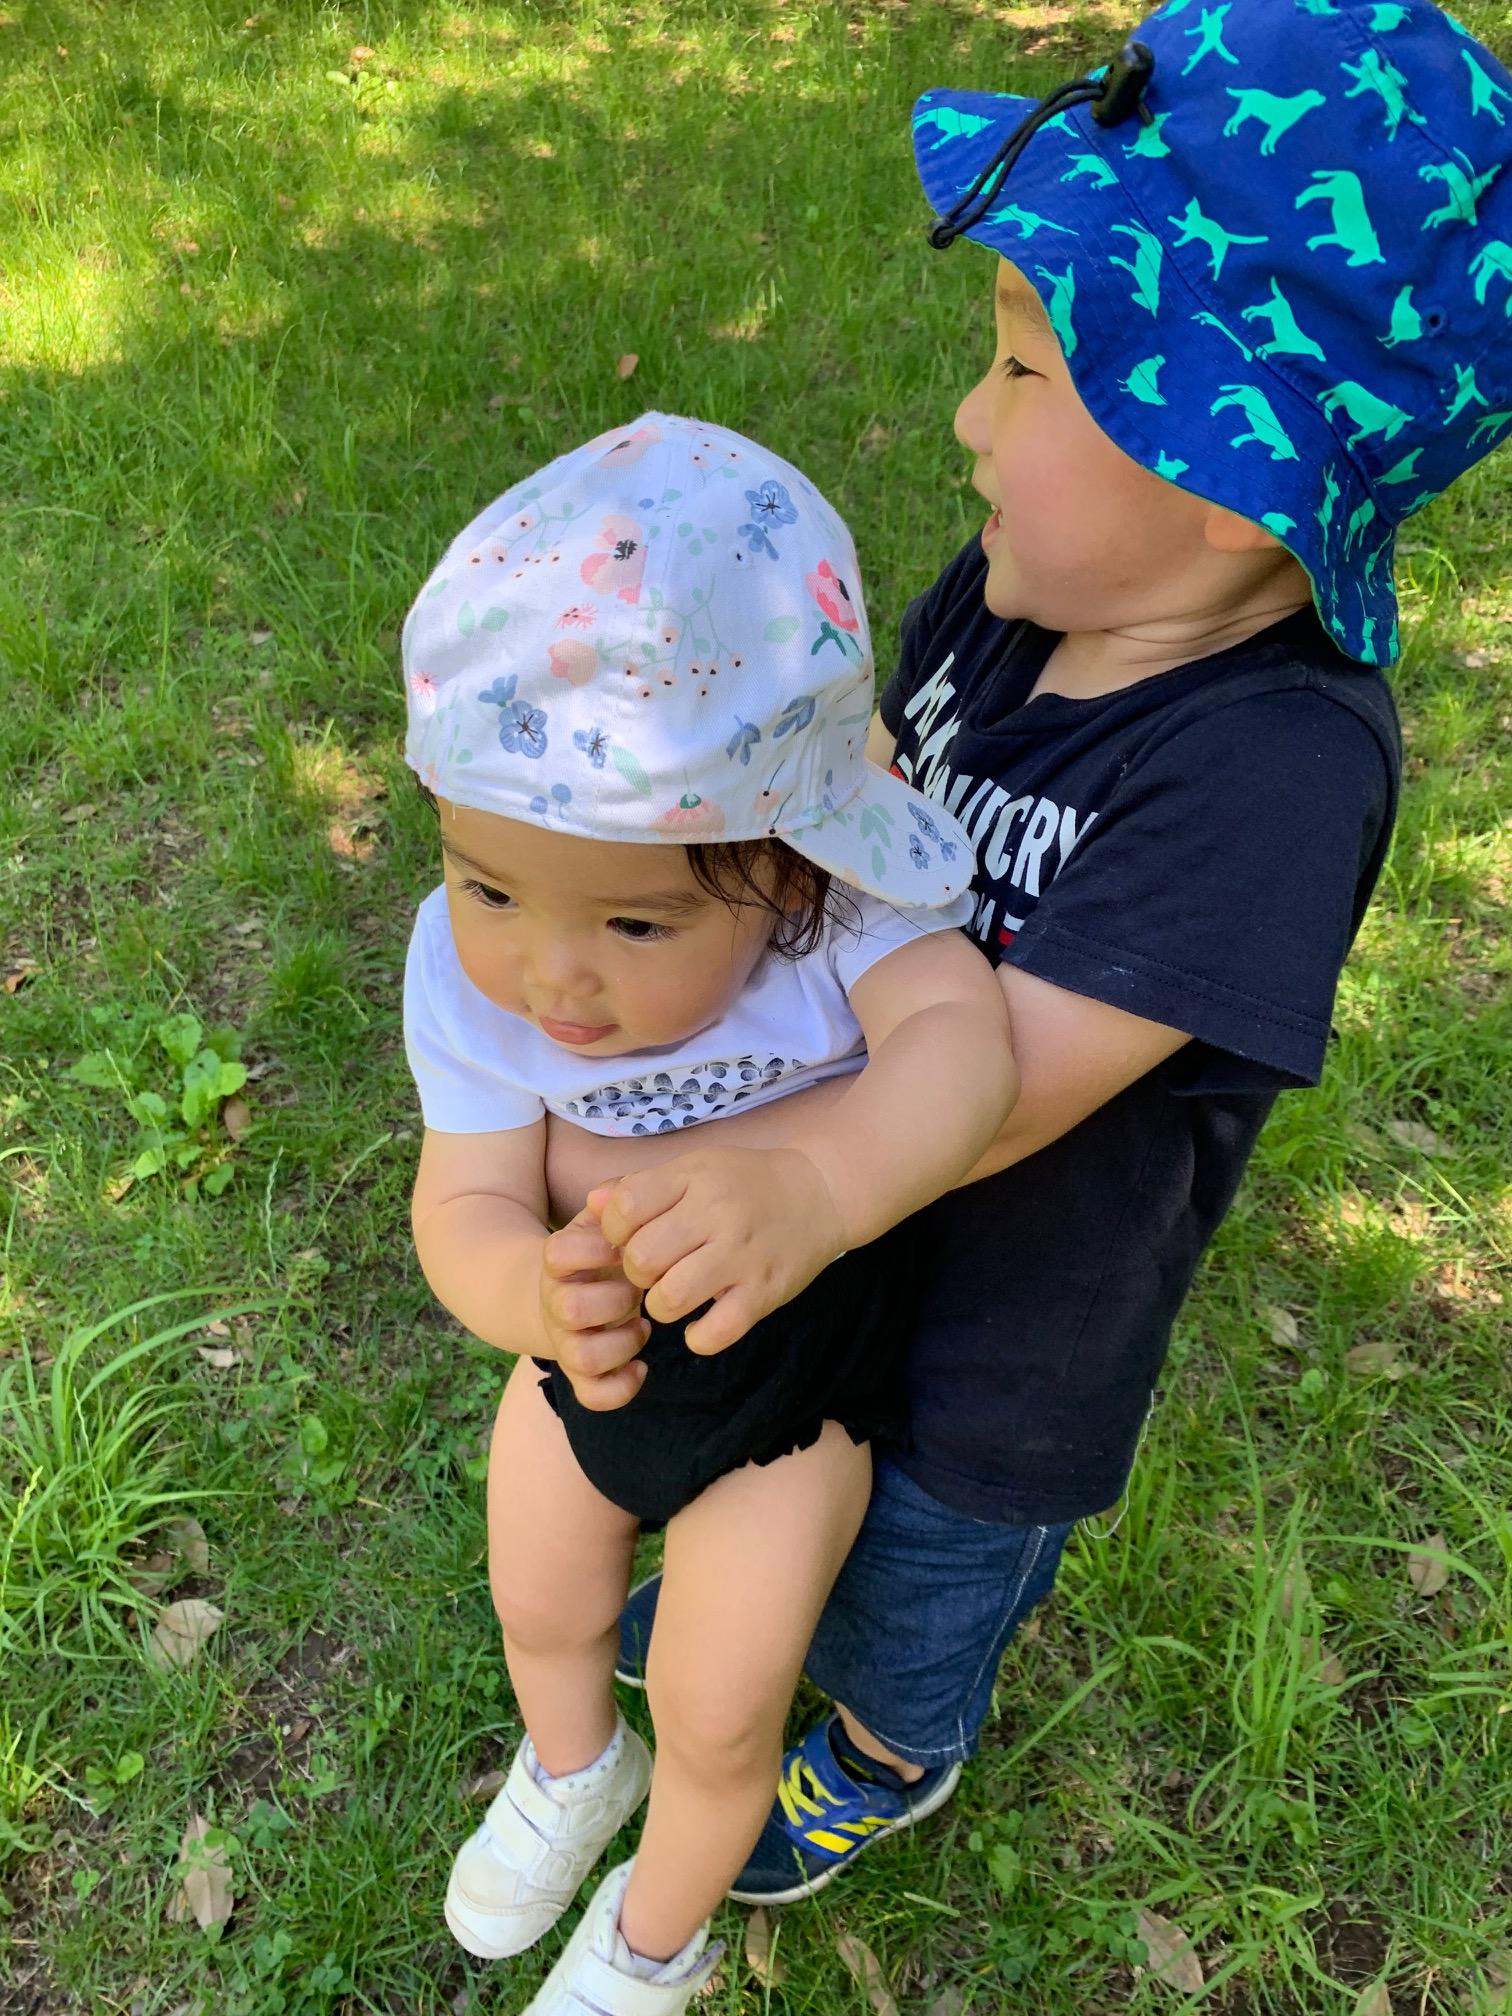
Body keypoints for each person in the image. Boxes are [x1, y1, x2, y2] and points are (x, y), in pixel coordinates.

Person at [585, 0, 1512, 1906]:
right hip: (849, 1236)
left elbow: (997, 1092)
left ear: (1229, 466)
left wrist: (782, 1171)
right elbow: (865, 779)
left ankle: (887, 1748)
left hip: (1013, 1340)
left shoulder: (1273, 771)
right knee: (790, 1456)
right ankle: (759, 1608)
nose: (967, 417)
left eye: (1025, 365)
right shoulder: (1015, 598)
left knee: (921, 1572)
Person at [400, 414, 1015, 2013]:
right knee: (543, 1598)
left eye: (634, 922)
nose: (551, 975)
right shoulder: (467, 980)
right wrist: (528, 1295)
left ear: (787, 872)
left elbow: (965, 1044)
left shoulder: (839, 920)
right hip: (589, 1355)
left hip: (791, 1382)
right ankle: (570, 1767)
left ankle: (652, 1941)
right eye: (488, 887)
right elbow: (464, 1195)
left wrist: (818, 1181)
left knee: (720, 1698)